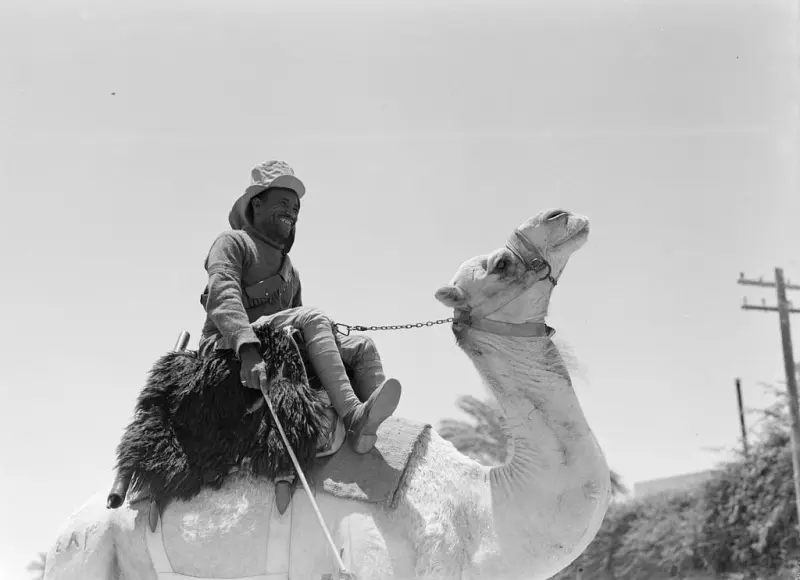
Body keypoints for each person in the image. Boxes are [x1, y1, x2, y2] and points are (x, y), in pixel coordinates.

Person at [198, 160, 402, 459]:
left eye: (296, 208)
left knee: (362, 346)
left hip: (277, 343)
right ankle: (352, 413)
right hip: (227, 345)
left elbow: (295, 322)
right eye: (283, 202)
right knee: (314, 316)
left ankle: (379, 430)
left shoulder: (290, 271)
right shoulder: (232, 242)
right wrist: (247, 349)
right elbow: (222, 293)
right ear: (257, 204)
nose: (292, 212)